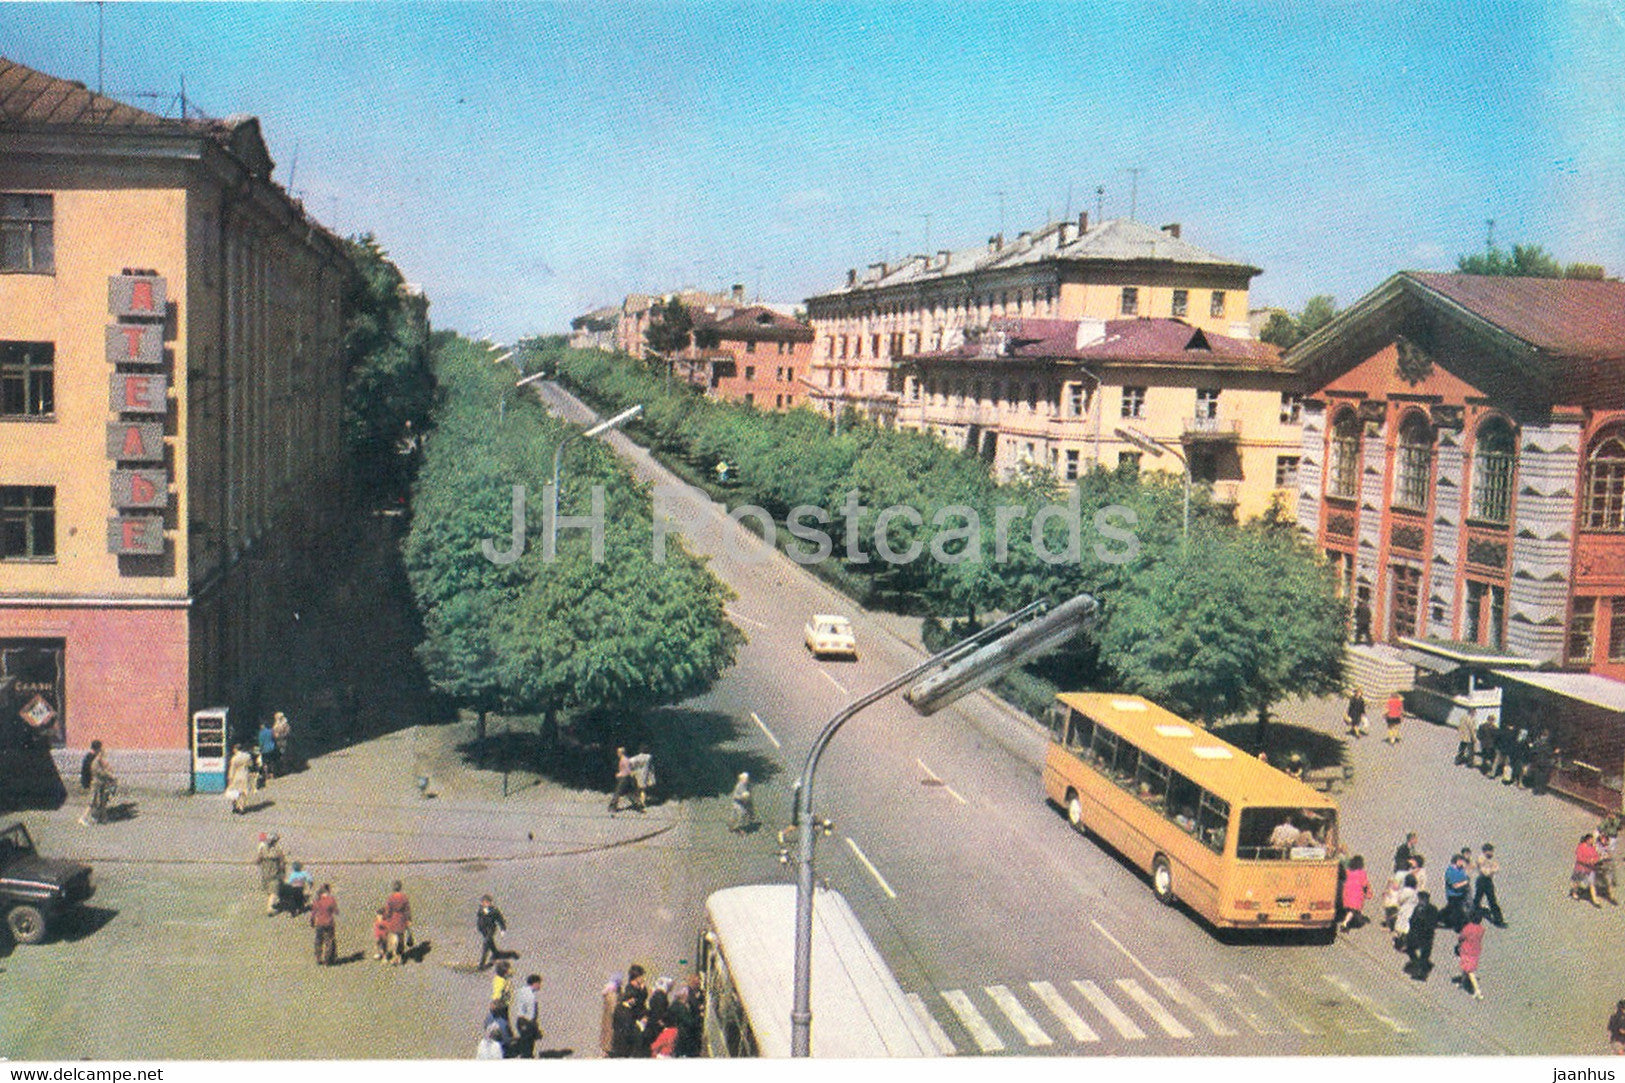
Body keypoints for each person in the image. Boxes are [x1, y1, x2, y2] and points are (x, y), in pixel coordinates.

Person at [1405, 890, 1440, 980]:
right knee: (1411, 949)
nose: (1421, 901)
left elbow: (1433, 923)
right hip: (1417, 935)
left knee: (1424, 955)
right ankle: (1418, 966)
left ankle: (1421, 973)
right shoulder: (1417, 908)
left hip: (1426, 936)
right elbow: (1412, 920)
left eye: (1422, 899)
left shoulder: (1432, 909)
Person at [79, 741, 116, 825]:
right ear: (98, 749)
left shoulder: (92, 757)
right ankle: (84, 817)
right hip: (93, 781)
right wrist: (109, 775)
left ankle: (98, 817)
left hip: (96, 781)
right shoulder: (91, 758)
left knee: (99, 800)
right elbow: (95, 771)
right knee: (93, 801)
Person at [1453, 909, 1485, 999]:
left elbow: (1461, 937)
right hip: (1475, 950)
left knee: (1468, 970)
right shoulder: (1481, 929)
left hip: (1466, 950)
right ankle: (1464, 982)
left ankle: (1476, 990)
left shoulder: (1468, 927)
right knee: (1467, 968)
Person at [1473, 843, 1507, 927]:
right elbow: (1486, 872)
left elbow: (1497, 868)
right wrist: (1492, 869)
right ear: (1486, 851)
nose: (1492, 853)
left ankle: (1499, 920)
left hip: (1488, 881)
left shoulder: (1491, 860)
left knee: (1492, 900)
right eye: (1491, 851)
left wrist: (1492, 869)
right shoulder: (1481, 859)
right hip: (1482, 881)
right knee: (1477, 900)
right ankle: (1471, 917)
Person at [256, 833, 287, 917]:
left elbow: (258, 860)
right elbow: (282, 862)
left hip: (265, 873)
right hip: (274, 873)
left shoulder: (262, 849)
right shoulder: (277, 850)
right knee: (273, 892)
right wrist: (283, 872)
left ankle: (270, 906)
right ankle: (269, 908)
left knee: (271, 891)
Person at [513, 973, 542, 1059]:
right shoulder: (531, 996)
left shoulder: (521, 990)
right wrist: (535, 1029)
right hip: (527, 1023)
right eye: (539, 983)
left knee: (523, 1046)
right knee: (528, 1050)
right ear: (535, 983)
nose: (540, 986)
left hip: (519, 1021)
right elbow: (531, 1015)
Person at [1340, 854, 1372, 932]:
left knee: (1350, 909)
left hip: (1347, 892)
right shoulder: (1362, 873)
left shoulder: (1348, 871)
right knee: (1353, 910)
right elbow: (1364, 884)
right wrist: (1367, 892)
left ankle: (1348, 921)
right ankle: (1345, 923)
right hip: (1356, 893)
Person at [475, 894, 507, 970]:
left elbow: (500, 920)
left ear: (490, 903)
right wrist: (479, 927)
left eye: (487, 902)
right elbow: (479, 920)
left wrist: (503, 929)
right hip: (483, 930)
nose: (485, 904)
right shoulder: (480, 910)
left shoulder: (494, 911)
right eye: (484, 902)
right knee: (490, 944)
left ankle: (481, 965)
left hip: (491, 929)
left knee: (486, 944)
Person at [1441, 853, 1472, 932]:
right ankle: (1458, 928)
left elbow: (1466, 876)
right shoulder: (1450, 872)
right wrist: (1465, 883)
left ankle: (1440, 917)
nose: (1463, 863)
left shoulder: (1461, 869)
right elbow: (1455, 886)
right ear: (1457, 861)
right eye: (1461, 861)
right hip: (1453, 895)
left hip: (1461, 894)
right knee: (1458, 911)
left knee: (1450, 909)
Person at [384, 880, 413, 963]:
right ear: (400, 887)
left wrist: (387, 918)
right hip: (401, 918)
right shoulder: (404, 897)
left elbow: (388, 910)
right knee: (401, 938)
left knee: (393, 938)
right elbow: (407, 910)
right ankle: (399, 956)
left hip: (393, 918)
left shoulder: (391, 898)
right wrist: (408, 919)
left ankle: (394, 955)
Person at [1573, 833, 1604, 907]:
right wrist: (1589, 861)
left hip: (1590, 869)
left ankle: (1595, 900)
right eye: (1591, 840)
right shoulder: (1580, 847)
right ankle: (1574, 892)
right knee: (1578, 882)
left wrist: (1597, 859)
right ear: (1587, 840)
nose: (1593, 841)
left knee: (1592, 884)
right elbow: (1579, 858)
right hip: (1581, 868)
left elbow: (1596, 855)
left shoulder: (1592, 848)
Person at [310, 884, 338, 965]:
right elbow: (335, 911)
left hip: (319, 923)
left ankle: (318, 957)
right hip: (329, 923)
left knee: (318, 940)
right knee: (329, 941)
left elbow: (313, 913)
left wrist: (312, 921)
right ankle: (328, 959)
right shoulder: (331, 900)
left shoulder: (317, 901)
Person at [1392, 873, 1420, 951]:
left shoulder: (1406, 891)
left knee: (1400, 924)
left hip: (1404, 910)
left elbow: (1400, 899)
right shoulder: (1415, 893)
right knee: (1407, 925)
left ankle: (1399, 941)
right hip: (1411, 911)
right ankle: (1405, 940)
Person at [226, 743, 254, 815]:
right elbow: (250, 764)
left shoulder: (234, 758)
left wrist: (230, 778)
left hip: (236, 775)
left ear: (236, 749)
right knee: (243, 791)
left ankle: (235, 806)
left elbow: (232, 769)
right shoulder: (247, 756)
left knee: (235, 791)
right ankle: (241, 807)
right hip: (245, 774)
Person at [599, 975, 623, 1057]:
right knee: (609, 1036)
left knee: (606, 1034)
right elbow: (614, 1010)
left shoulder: (607, 993)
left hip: (606, 1020)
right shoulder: (612, 995)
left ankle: (605, 1051)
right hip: (612, 1021)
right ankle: (608, 1052)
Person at [628, 745, 655, 811]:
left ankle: (638, 801)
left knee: (637, 789)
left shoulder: (635, 758)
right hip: (645, 774)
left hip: (636, 774)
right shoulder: (649, 757)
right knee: (643, 789)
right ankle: (642, 802)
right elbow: (651, 767)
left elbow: (629, 762)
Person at [608, 747, 633, 813]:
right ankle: (637, 804)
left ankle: (612, 807)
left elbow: (628, 771)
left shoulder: (625, 760)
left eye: (618, 752)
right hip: (623, 778)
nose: (617, 754)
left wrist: (620, 774)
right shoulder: (622, 759)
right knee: (628, 793)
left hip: (624, 778)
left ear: (621, 753)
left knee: (617, 793)